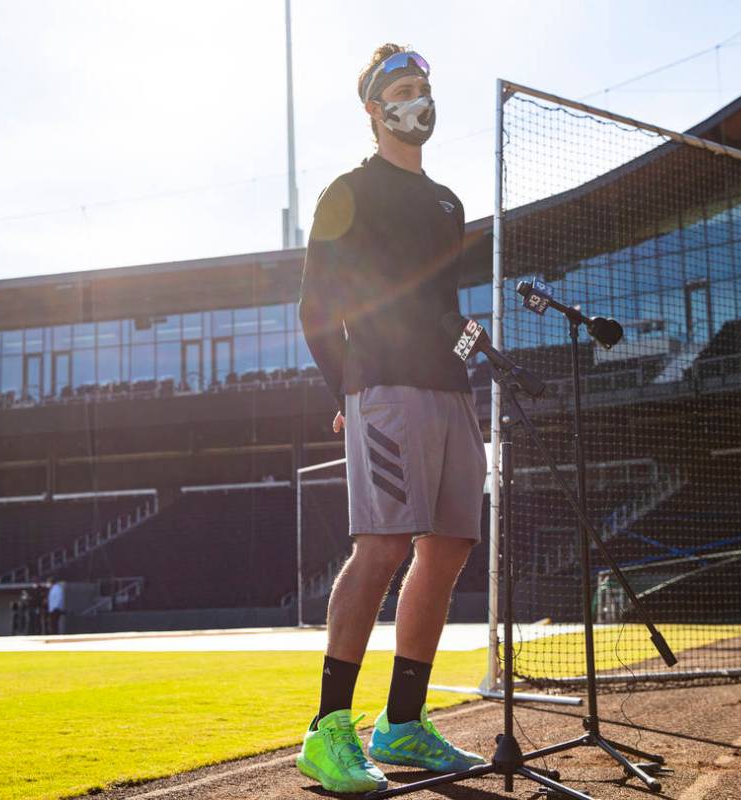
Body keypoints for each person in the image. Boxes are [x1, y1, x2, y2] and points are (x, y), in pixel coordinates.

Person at [295, 44, 488, 794]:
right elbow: (316, 307)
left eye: (425, 89)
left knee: (447, 551)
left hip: (452, 391)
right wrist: (342, 391)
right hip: (384, 389)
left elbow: (443, 308)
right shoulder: (351, 191)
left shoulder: (447, 204)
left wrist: (477, 346)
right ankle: (327, 730)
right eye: (404, 91)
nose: (420, 101)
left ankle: (402, 724)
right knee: (380, 547)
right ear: (375, 111)